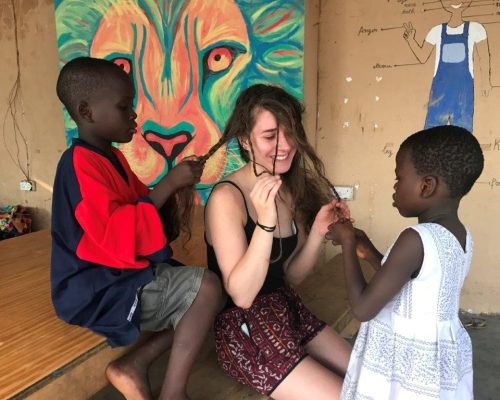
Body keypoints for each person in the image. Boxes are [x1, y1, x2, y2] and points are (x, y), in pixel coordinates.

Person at [51, 57, 223, 400]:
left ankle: (133, 365)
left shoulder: (111, 159)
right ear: (87, 112)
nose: (134, 115)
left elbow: (141, 205)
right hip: (94, 288)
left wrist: (174, 187)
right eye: (124, 106)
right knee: (206, 289)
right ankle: (172, 394)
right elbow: (115, 235)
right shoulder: (78, 166)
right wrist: (168, 184)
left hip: (116, 275)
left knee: (211, 292)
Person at [204, 84, 352, 399]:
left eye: (291, 134)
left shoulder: (287, 187)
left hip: (286, 310)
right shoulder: (226, 198)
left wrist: (317, 233)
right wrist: (265, 222)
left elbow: (292, 276)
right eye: (270, 136)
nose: (284, 145)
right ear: (245, 140)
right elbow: (242, 295)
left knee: (370, 380)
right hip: (243, 330)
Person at [327, 125, 484, 399]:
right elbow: (412, 282)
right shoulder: (461, 235)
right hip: (434, 362)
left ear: (426, 186)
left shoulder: (414, 238)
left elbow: (363, 308)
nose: (395, 186)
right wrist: (368, 250)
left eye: (399, 178)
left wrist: (349, 244)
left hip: (407, 361)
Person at [403, 0, 492, 132]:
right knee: (432, 134)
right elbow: (422, 57)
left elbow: (484, 56)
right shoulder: (436, 31)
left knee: (463, 135)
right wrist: (410, 39)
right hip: (439, 92)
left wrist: (486, 82)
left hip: (463, 92)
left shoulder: (475, 29)